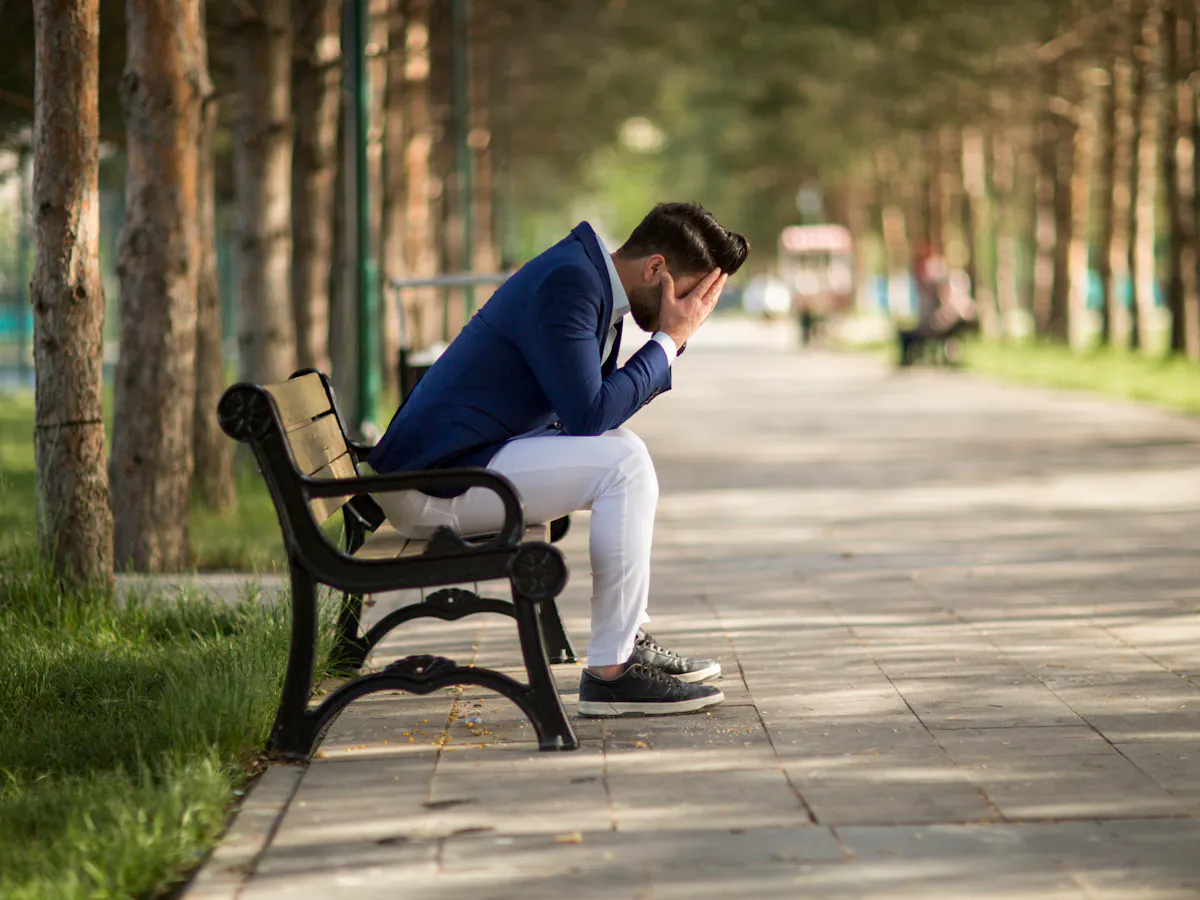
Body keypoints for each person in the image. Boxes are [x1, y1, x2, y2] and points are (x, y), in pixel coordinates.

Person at [367, 203, 749, 717]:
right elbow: (587, 414)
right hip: (434, 484)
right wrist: (669, 340)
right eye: (688, 294)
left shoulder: (584, 274)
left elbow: (590, 414)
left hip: (459, 464)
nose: (690, 310)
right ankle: (612, 673)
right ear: (656, 269)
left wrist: (667, 341)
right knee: (623, 466)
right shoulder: (570, 282)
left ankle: (626, 638)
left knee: (627, 451)